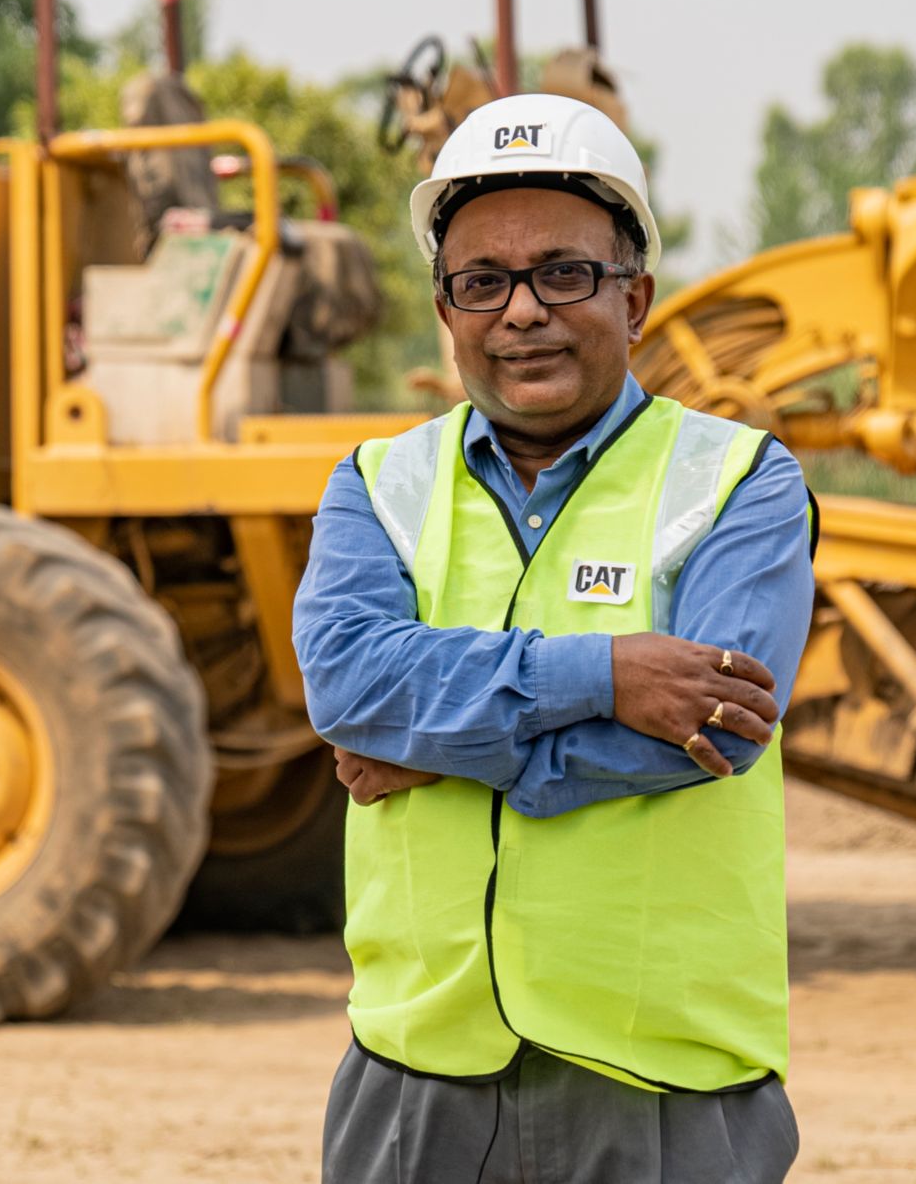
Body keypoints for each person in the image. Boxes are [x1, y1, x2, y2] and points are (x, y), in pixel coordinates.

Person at [295, 93, 818, 1183]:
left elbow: (716, 727)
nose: (521, 310)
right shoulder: (377, 486)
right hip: (415, 1073)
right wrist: (604, 672)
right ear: (446, 310)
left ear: (634, 300)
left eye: (562, 273)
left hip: (661, 1084)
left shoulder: (738, 482)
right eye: (482, 282)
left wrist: (432, 744)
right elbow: (346, 679)